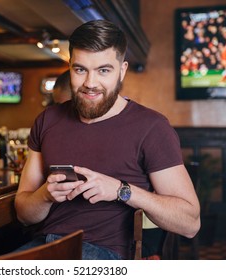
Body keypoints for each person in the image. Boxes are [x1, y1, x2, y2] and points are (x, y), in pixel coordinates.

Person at [14, 20, 200, 260]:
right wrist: (46, 195)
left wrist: (121, 190)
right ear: (69, 67)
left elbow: (190, 223)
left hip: (105, 254)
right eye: (80, 69)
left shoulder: (152, 127)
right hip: (44, 247)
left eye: (103, 70)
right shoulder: (46, 120)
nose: (90, 83)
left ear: (122, 71)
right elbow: (23, 214)